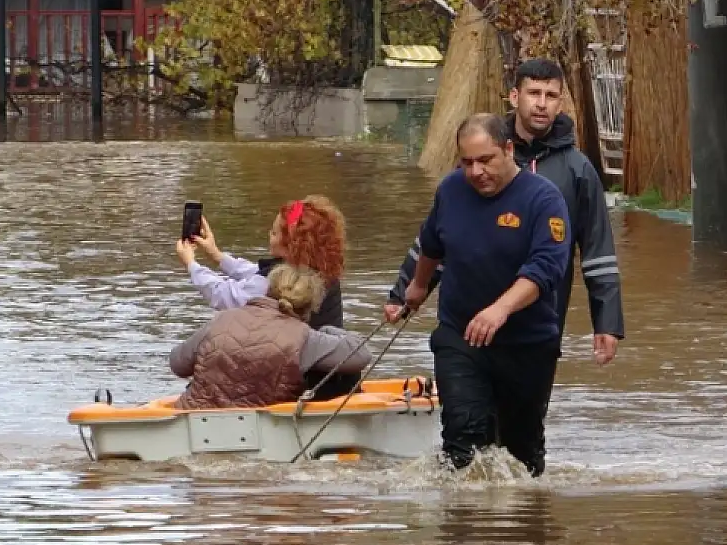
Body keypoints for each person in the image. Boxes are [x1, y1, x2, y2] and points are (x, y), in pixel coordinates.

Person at [387, 57, 625, 361]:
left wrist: (607, 323)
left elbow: (598, 252)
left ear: (560, 103)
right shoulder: (480, 158)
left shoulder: (578, 171)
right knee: (466, 404)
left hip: (537, 324)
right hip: (467, 321)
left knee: (523, 408)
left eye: (550, 96)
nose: (541, 104)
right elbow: (441, 236)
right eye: (533, 93)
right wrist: (402, 294)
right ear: (515, 97)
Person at [396, 112, 571, 477]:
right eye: (467, 162)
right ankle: (461, 526)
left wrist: (500, 310)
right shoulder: (450, 190)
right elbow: (431, 243)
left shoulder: (544, 199)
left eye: (485, 160)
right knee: (463, 437)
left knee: (522, 455)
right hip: (460, 336)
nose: (476, 172)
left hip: (526, 344)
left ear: (509, 150)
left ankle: (519, 528)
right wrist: (415, 287)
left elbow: (545, 269)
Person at [175, 194, 360, 399]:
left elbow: (226, 296)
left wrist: (192, 265)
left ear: (291, 245)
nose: (268, 234)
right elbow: (255, 272)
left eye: (273, 232)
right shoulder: (318, 270)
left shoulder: (279, 283)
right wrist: (216, 255)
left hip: (298, 375)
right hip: (327, 369)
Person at [169, 263, 372, 410]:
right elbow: (361, 354)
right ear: (310, 307)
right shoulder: (305, 338)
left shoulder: (221, 319)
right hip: (260, 428)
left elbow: (177, 364)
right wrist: (327, 329)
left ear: (267, 289)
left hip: (196, 418)